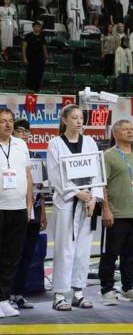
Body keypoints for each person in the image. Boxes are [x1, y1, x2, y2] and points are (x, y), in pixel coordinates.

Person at [47, 105, 103, 311]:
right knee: (64, 249)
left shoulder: (89, 142)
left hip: (87, 203)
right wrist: (76, 193)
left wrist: (93, 198)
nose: (79, 121)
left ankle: (78, 292)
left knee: (83, 249)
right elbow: (54, 174)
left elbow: (97, 172)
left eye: (81, 118)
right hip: (67, 202)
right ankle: (59, 294)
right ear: (64, 120)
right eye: (74, 118)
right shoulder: (55, 144)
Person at [99, 119, 133, 305]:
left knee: (131, 255)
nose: (130, 132)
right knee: (111, 254)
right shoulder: (108, 155)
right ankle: (106, 290)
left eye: (131, 129)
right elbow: (101, 184)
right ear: (115, 134)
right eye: (125, 129)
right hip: (117, 213)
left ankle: (128, 287)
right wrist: (106, 209)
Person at [11, 120, 46, 310]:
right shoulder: (9, 155)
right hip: (14, 211)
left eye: (27, 132)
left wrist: (42, 214)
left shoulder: (35, 156)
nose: (24, 134)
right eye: (20, 131)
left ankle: (18, 294)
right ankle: (5, 294)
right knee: (10, 255)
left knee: (26, 255)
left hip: (34, 213)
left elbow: (40, 188)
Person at [0, 109, 32, 318]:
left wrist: (29, 205)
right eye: (3, 122)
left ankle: (3, 299)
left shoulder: (21, 144)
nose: (8, 125)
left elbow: (28, 176)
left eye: (10, 121)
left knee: (11, 258)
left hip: (19, 209)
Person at [21, 21, 48, 93]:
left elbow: (44, 48)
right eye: (36, 26)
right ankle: (29, 89)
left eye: (39, 27)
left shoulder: (42, 37)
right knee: (30, 74)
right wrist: (24, 58)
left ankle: (37, 90)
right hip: (30, 59)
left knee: (39, 75)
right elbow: (24, 47)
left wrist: (46, 58)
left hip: (40, 59)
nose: (37, 28)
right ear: (33, 28)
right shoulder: (28, 36)